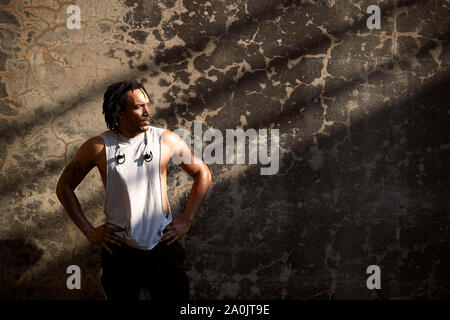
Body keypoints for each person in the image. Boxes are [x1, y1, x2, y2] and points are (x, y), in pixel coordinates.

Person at [56, 79, 212, 300]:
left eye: (148, 104)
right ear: (119, 112)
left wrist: (186, 220)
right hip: (120, 250)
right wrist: (89, 231)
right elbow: (64, 187)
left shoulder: (165, 140)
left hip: (162, 245)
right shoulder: (98, 147)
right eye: (139, 107)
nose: (147, 112)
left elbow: (202, 173)